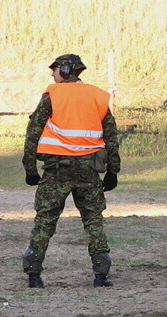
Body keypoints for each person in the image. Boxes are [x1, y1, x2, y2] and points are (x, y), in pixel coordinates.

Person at [20, 53, 121, 289]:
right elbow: (111, 137)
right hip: (89, 170)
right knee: (93, 220)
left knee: (45, 220)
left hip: (56, 170)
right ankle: (101, 275)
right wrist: (113, 171)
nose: (52, 74)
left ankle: (34, 275)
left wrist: (30, 169)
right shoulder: (97, 96)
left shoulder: (52, 95)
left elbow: (33, 133)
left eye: (54, 69)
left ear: (65, 70)